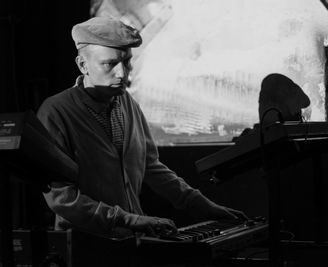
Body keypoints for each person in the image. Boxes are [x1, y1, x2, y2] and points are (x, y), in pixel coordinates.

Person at [37, 16, 247, 238]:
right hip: (85, 248)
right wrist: (129, 220)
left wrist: (205, 207)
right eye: (109, 64)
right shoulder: (55, 112)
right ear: (82, 65)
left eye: (126, 62)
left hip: (131, 243)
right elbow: (63, 199)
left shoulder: (127, 103)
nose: (122, 73)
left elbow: (152, 167)